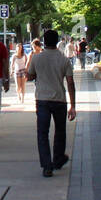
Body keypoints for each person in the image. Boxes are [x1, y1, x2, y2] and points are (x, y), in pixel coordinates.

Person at [26, 29, 77, 177]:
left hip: (42, 99)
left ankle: (47, 166)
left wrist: (35, 75)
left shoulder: (37, 58)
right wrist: (73, 106)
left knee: (42, 133)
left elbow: (30, 76)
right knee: (60, 131)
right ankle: (58, 158)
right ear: (57, 41)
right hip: (59, 100)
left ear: (44, 41)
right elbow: (70, 83)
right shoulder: (64, 60)